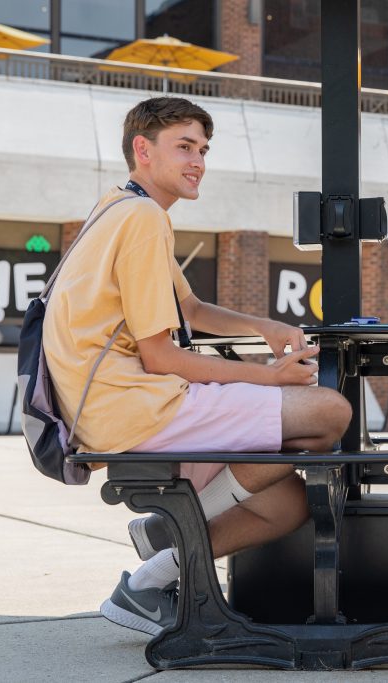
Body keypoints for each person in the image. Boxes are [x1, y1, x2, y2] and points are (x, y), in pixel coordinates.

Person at [43, 96, 352, 636]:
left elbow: (189, 309)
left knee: (285, 506)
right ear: (143, 150)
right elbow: (159, 356)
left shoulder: (121, 206)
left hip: (112, 404)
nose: (198, 162)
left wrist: (267, 328)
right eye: (183, 147)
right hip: (131, 405)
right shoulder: (141, 218)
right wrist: (271, 376)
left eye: (203, 149)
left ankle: (151, 576)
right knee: (328, 411)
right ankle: (168, 532)